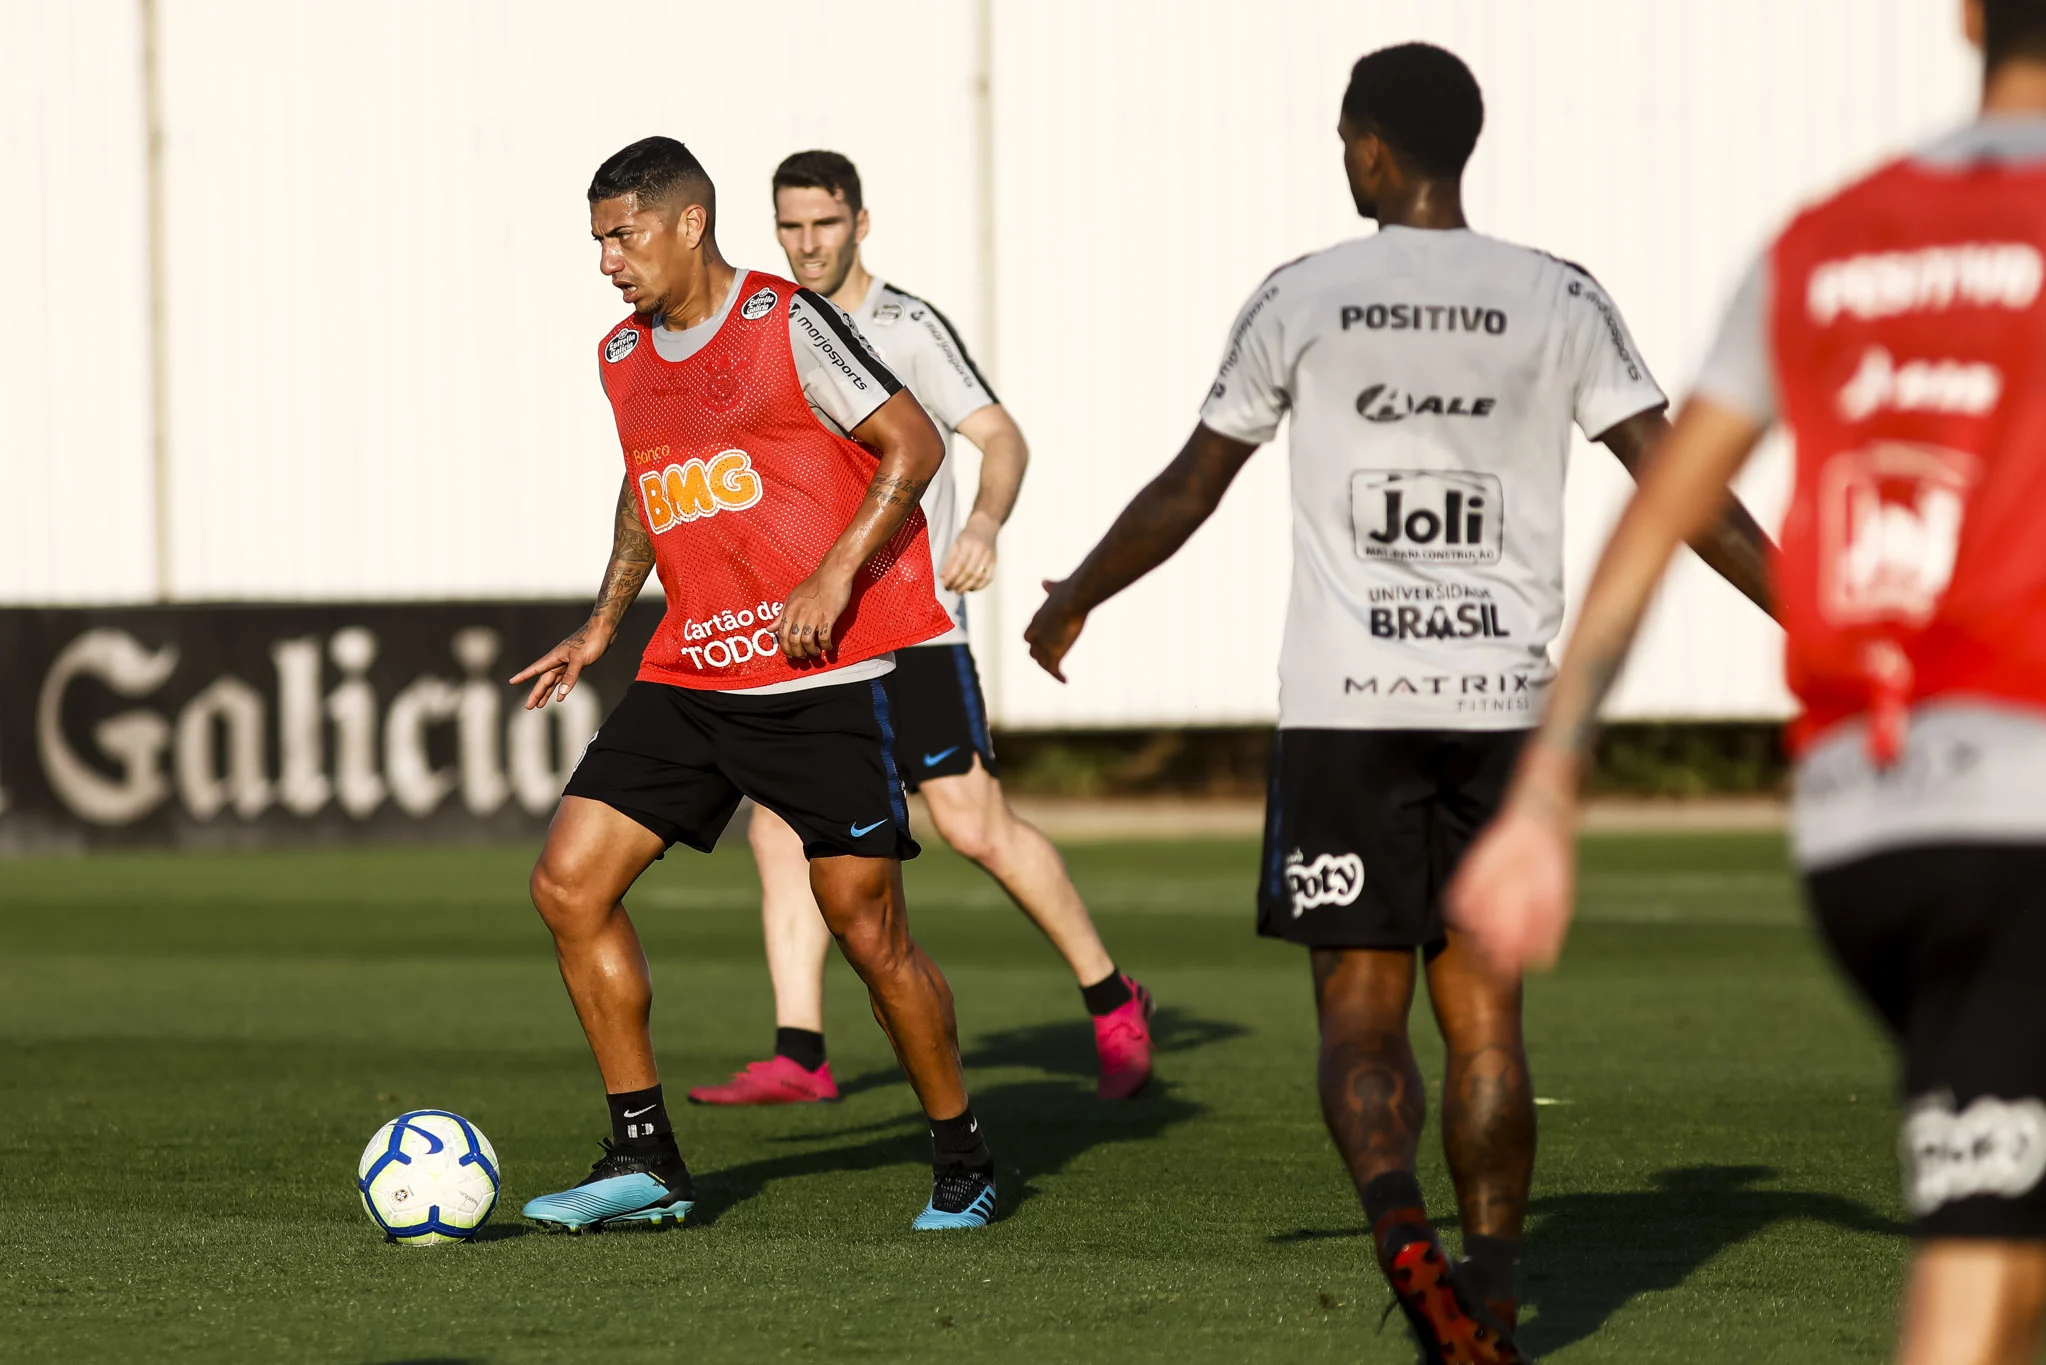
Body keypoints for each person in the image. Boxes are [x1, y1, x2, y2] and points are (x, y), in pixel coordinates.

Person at [1024, 43, 1775, 1362]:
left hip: (1347, 710)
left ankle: (1401, 1239)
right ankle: (1490, 1293)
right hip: (1506, 708)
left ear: (1371, 146)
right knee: (1485, 1017)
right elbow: (1677, 487)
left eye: (1343, 138)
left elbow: (1191, 486)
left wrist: (1075, 591)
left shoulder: (1304, 296)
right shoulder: (1557, 296)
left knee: (1358, 1017)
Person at [1449, 2, 2046, 1359]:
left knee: (2001, 1212)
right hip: (2022, 809)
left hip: (1866, 822)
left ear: (1963, 17)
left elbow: (1664, 503)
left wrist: (1547, 782)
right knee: (1979, 1248)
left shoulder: (1828, 236)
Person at [509, 136, 996, 1234]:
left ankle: (961, 1154)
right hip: (690, 672)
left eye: (621, 236)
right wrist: (603, 621)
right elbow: (649, 486)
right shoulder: (622, 354)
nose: (606, 262)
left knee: (869, 936)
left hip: (815, 681)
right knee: (567, 885)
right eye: (596, 241)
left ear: (688, 223)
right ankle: (646, 1160)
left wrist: (831, 573)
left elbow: (910, 447)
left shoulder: (785, 323)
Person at [686, 150, 1156, 1108]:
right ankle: (800, 1050)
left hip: (912, 625)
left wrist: (982, 522)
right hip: (817, 633)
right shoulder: (768, 325)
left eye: (824, 224)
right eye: (791, 226)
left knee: (975, 826)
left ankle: (1111, 996)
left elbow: (1000, 435)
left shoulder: (903, 326)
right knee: (777, 826)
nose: (807, 243)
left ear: (861, 222)